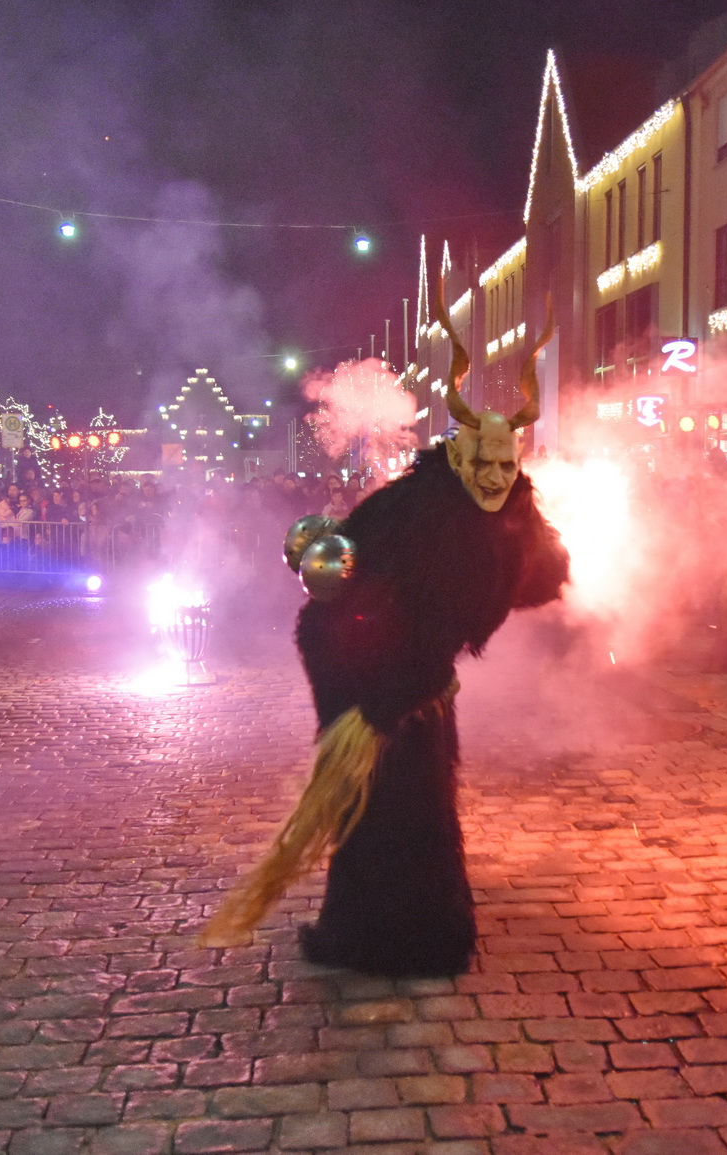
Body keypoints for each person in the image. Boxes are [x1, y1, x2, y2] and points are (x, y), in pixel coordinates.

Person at [199, 280, 569, 976]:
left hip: (418, 697)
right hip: (377, 689)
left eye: (505, 465)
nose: (494, 474)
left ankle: (423, 932)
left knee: (422, 812)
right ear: (458, 458)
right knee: (376, 815)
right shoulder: (408, 512)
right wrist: (372, 695)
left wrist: (518, 537)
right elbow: (339, 603)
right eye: (482, 462)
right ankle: (375, 934)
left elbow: (539, 578)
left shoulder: (502, 515)